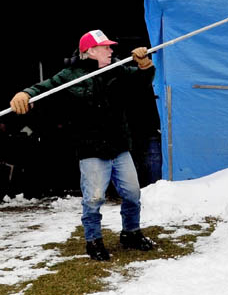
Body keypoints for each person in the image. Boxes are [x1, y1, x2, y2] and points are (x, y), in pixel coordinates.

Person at [9, 29, 157, 261]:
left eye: (110, 46)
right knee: (94, 198)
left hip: (119, 146)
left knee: (132, 193)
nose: (111, 50)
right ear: (90, 51)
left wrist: (144, 64)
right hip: (91, 148)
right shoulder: (69, 75)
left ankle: (131, 233)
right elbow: (42, 88)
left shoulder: (117, 68)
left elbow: (141, 82)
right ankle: (94, 241)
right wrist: (24, 94)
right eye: (106, 47)